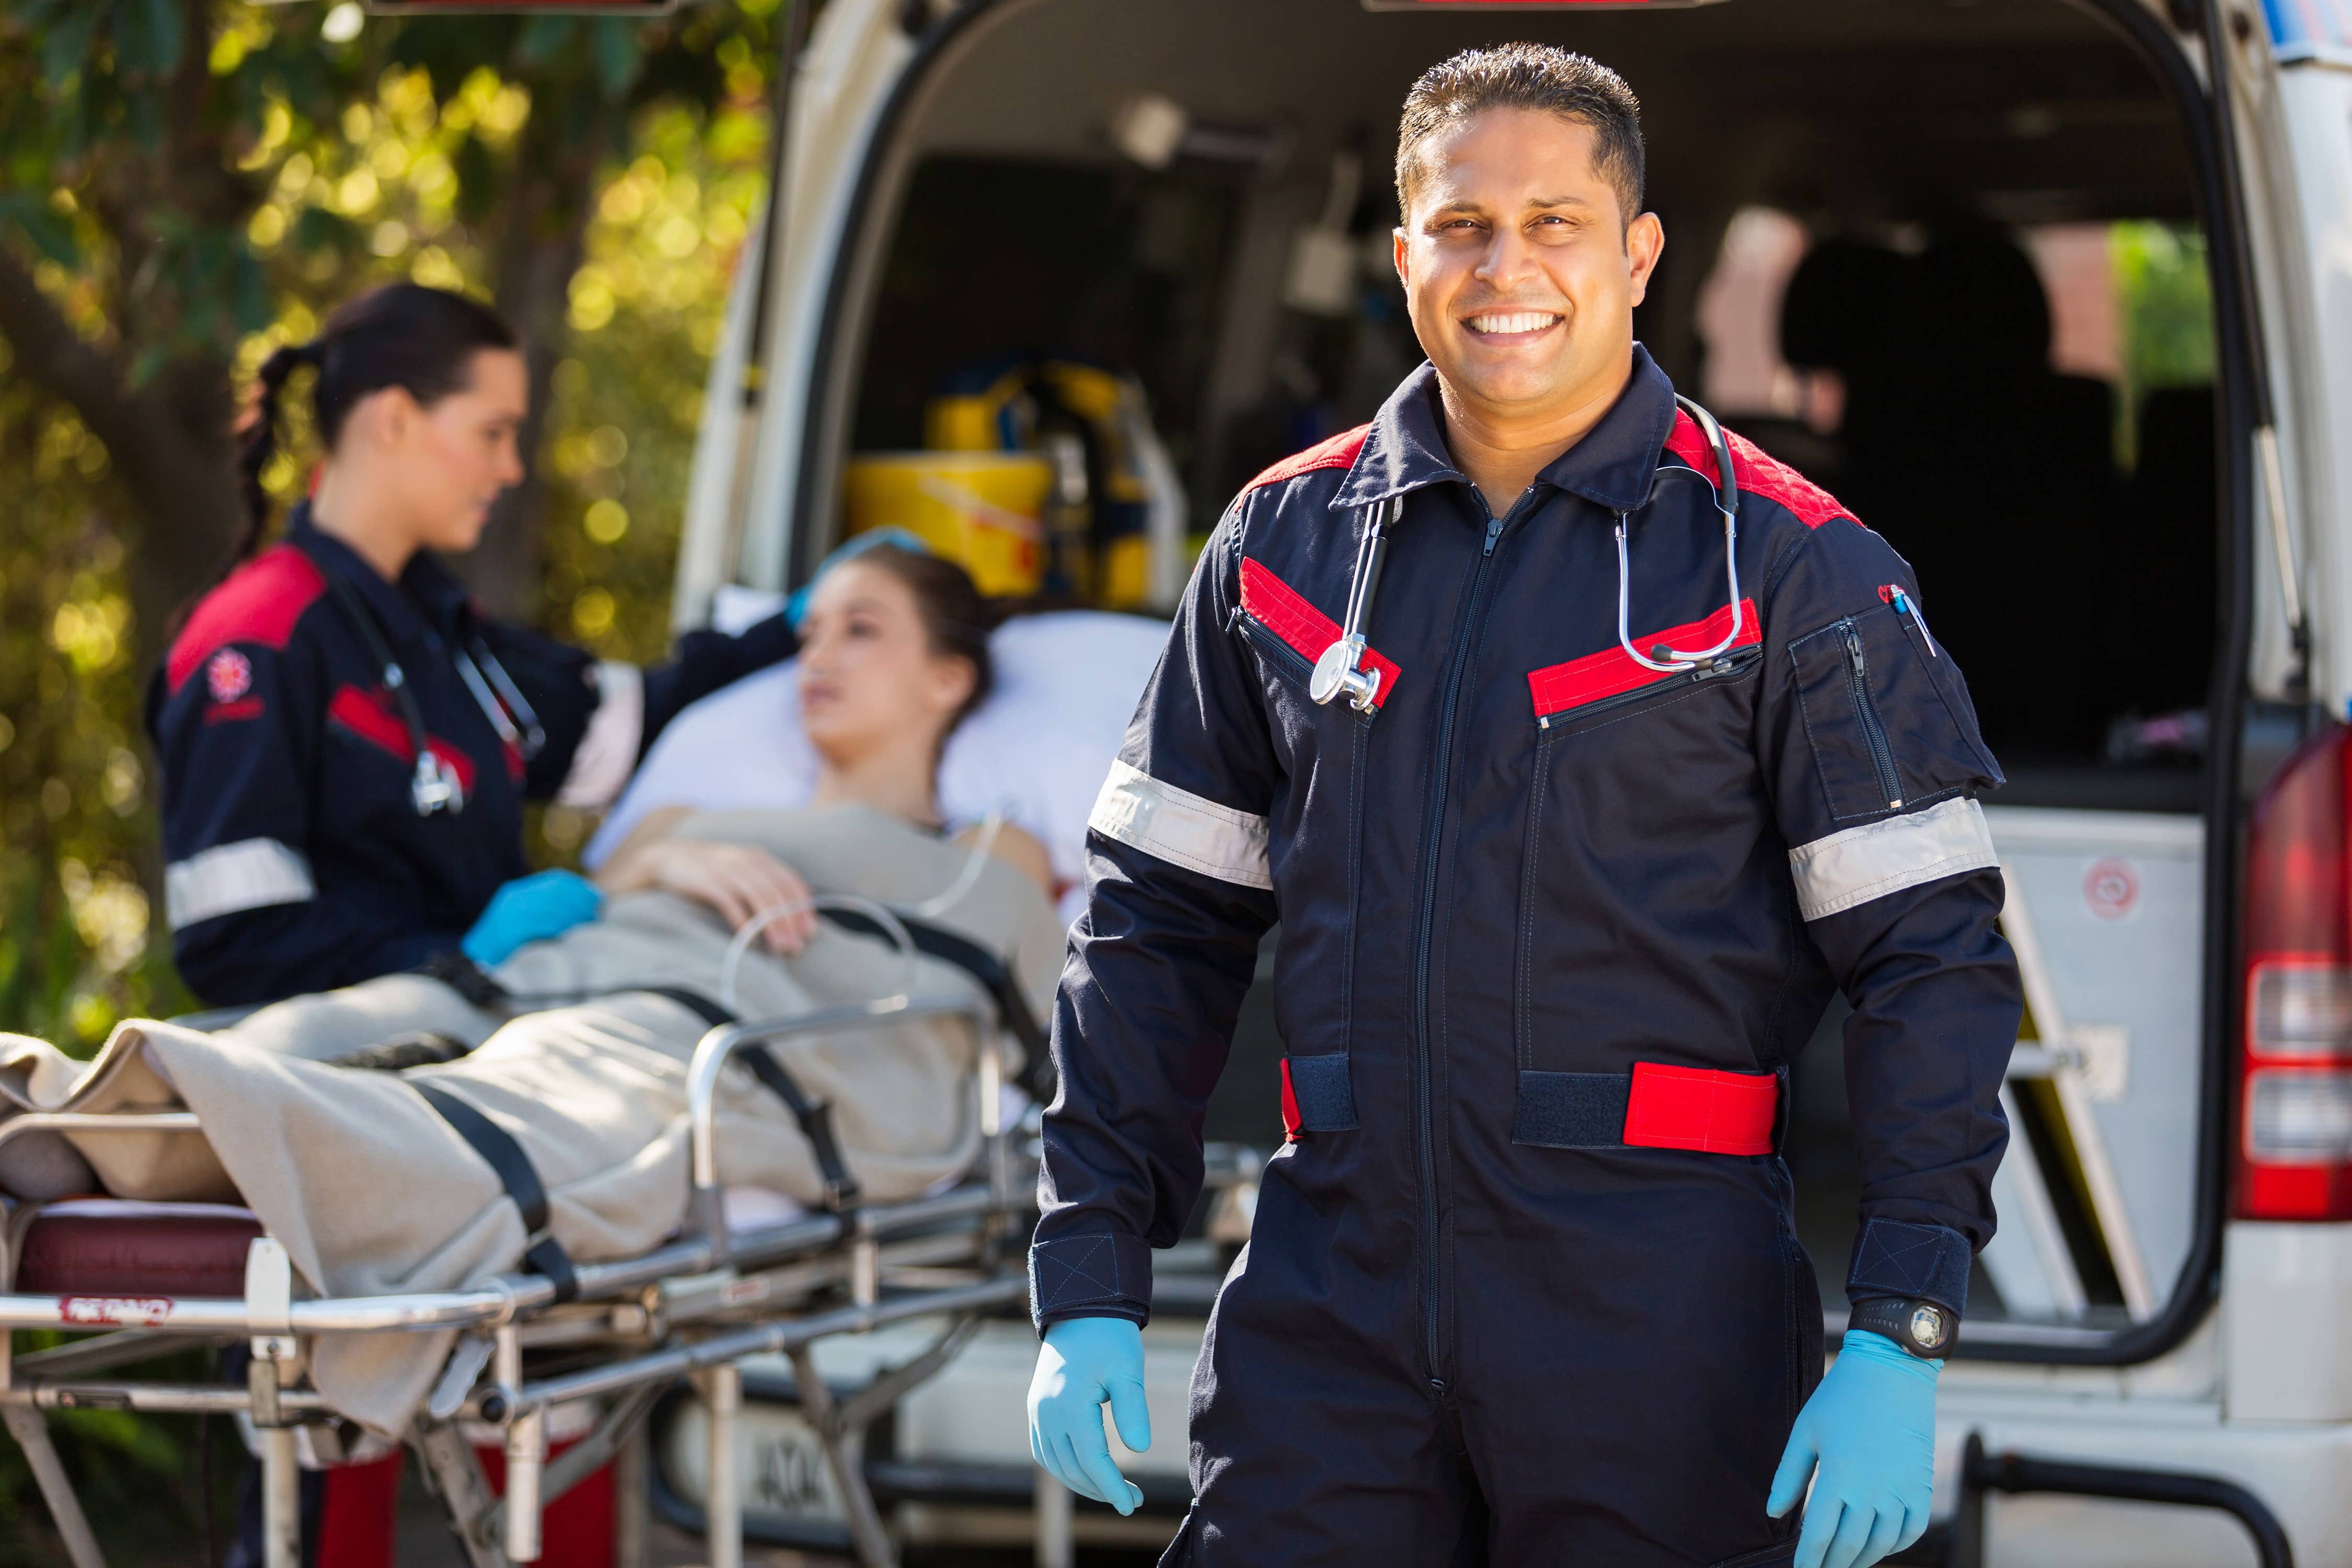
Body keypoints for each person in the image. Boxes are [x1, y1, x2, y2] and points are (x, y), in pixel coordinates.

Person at [1026, 45, 2020, 1568]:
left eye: (1555, 224)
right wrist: (1088, 1259)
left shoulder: (1791, 568)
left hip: (1653, 1322)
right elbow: (1155, 923)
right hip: (1330, 1306)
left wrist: (1900, 1323)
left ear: (1635, 253)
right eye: (1464, 224)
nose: (1508, 270)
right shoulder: (1281, 547)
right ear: (1405, 248)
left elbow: (1929, 963)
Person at [149, 284, 802, 1009]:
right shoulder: (258, 639)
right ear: (394, 420)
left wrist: (804, 622)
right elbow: (234, 944)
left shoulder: (444, 632)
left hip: (472, 1057)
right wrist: (446, 957)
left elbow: (626, 725)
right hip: (336, 1089)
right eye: (492, 433)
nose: (512, 468)